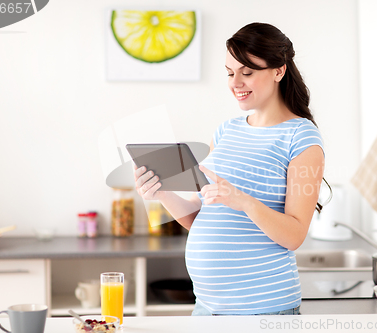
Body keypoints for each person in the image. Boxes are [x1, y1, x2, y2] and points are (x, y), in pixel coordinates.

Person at [133, 22, 324, 315]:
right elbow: (200, 217)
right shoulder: (226, 131)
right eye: (229, 72)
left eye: (247, 72)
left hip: (263, 311)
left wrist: (244, 201)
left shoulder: (301, 136)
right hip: (207, 310)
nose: (235, 82)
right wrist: (162, 193)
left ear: (278, 71)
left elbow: (295, 234)